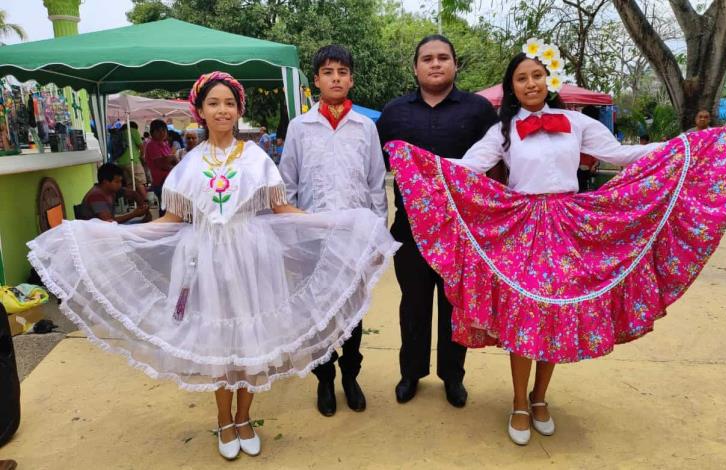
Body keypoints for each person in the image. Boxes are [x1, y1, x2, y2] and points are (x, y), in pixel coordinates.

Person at [384, 42, 726, 446]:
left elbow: (622, 155)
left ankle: (540, 398)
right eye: (521, 78)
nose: (530, 84)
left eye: (536, 76)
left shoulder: (576, 123)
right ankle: (519, 401)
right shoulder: (502, 128)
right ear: (512, 87)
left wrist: (683, 146)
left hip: (569, 227)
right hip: (521, 229)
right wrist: (415, 161)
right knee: (526, 313)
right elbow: (468, 167)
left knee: (557, 311)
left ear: (548, 79)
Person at [27, 71, 398, 461]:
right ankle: (224, 421)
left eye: (229, 103)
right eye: (213, 103)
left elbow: (281, 208)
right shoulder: (188, 164)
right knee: (222, 349)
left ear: (239, 109)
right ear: (200, 111)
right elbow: (171, 221)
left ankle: (245, 418)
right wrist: (110, 235)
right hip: (204, 260)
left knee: (252, 345)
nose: (222, 110)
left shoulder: (256, 159)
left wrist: (334, 224)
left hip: (253, 259)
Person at [377, 35, 498, 407]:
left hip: (461, 231)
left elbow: (495, 165)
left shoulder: (478, 111)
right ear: (415, 68)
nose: (435, 64)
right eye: (427, 58)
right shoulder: (394, 113)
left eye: (443, 57)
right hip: (410, 230)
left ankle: (453, 377)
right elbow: (376, 167)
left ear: (455, 65)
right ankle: (410, 373)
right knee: (413, 305)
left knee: (454, 306)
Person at [279, 45, 388, 418]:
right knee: (317, 315)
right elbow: (286, 185)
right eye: (328, 72)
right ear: (317, 80)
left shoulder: (366, 128)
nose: (336, 78)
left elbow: (376, 185)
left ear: (351, 79)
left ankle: (350, 376)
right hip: (312, 240)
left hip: (354, 240)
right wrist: (291, 239)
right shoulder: (300, 127)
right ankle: (324, 379)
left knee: (353, 313)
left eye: (342, 71)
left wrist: (378, 236)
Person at [79, 163, 149, 223]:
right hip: (96, 233)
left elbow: (133, 194)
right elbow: (109, 221)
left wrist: (145, 210)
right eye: (117, 182)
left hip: (108, 229)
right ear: (105, 182)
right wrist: (133, 214)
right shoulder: (96, 196)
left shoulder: (111, 190)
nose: (120, 184)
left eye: (120, 181)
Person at [145, 119, 177, 216]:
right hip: (161, 181)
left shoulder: (165, 144)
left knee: (171, 208)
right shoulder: (151, 145)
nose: (162, 132)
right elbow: (161, 164)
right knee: (165, 209)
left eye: (164, 130)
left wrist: (171, 159)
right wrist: (171, 159)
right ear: (152, 133)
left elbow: (172, 161)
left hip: (169, 180)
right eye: (158, 130)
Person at [114, 121, 149, 202]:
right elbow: (141, 146)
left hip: (120, 162)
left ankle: (130, 202)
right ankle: (145, 203)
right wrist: (141, 156)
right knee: (140, 182)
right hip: (133, 161)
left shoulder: (120, 133)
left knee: (129, 183)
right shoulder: (133, 130)